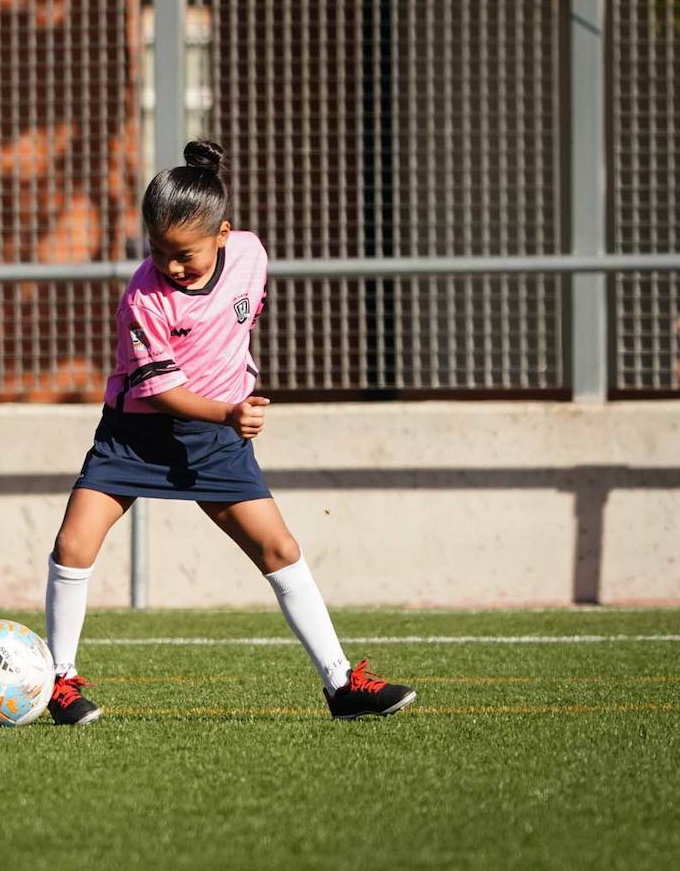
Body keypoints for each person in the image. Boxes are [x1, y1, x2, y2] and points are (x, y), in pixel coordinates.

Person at [42, 141, 417, 725]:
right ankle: (59, 683)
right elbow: (158, 391)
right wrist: (228, 412)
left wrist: (230, 396)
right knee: (73, 546)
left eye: (183, 254)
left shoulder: (250, 255)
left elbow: (239, 321)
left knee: (280, 550)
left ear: (222, 235)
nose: (170, 266)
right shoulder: (142, 297)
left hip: (213, 443)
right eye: (157, 251)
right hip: (136, 435)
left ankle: (342, 684)